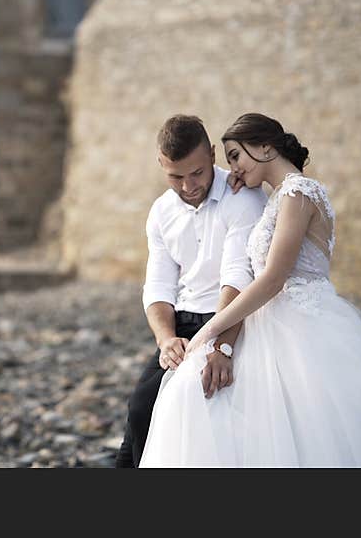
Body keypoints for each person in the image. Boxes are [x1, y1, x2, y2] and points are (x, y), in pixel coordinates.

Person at [139, 113, 361, 467]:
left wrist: (213, 332)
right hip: (268, 322)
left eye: (235, 157)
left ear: (264, 148)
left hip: (300, 325)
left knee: (304, 430)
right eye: (229, 160)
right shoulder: (276, 198)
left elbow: (273, 278)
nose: (233, 170)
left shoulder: (298, 193)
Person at [114, 115, 267, 468]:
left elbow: (237, 275)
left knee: (203, 411)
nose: (188, 186)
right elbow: (158, 285)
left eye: (197, 173)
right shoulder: (161, 212)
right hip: (182, 325)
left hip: (234, 319)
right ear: (160, 165)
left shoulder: (242, 197)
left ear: (212, 154)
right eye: (175, 176)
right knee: (140, 410)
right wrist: (166, 339)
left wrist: (221, 345)